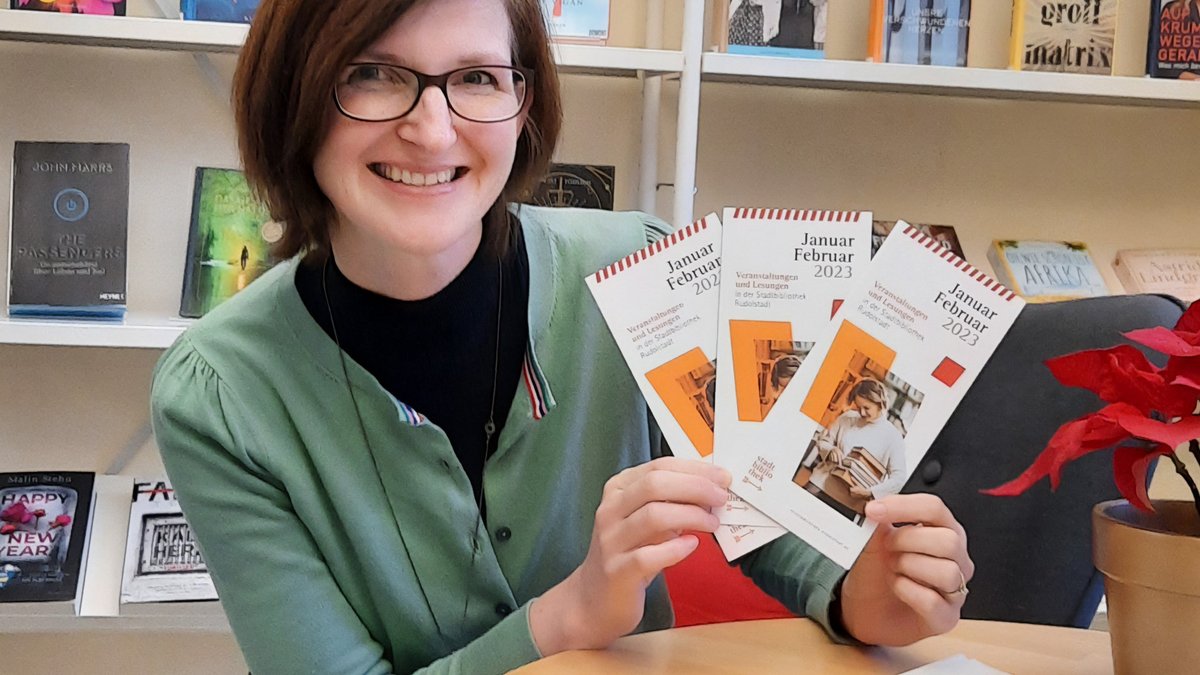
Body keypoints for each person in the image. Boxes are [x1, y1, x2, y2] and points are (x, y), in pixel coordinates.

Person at [149, 1, 974, 673]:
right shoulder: (221, 393)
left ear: (525, 103)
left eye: (476, 77)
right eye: (371, 75)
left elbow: (756, 510)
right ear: (291, 96)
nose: (433, 131)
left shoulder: (639, 271)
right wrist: (566, 615)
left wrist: (859, 594)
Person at [807, 378, 908, 521]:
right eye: (858, 407)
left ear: (880, 404)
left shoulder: (893, 437)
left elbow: (899, 478)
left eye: (866, 408)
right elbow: (823, 441)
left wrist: (870, 493)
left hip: (849, 504)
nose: (862, 412)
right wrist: (830, 450)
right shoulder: (847, 418)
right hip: (819, 485)